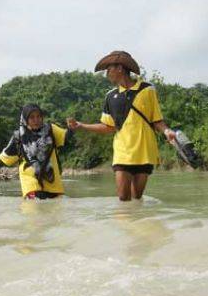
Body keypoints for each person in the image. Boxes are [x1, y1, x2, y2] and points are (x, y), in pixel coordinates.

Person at [67, 51, 176, 201]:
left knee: (137, 198)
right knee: (123, 199)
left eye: (109, 69)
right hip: (122, 152)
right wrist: (81, 126)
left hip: (144, 151)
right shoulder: (110, 96)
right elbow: (108, 126)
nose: (107, 74)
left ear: (120, 68)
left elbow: (157, 119)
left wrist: (167, 131)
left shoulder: (147, 90)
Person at [0, 104, 71, 199]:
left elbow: (65, 139)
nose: (36, 120)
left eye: (39, 116)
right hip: (30, 184)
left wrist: (71, 128)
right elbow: (4, 158)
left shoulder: (51, 130)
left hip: (53, 184)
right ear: (26, 119)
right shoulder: (18, 138)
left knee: (55, 211)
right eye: (32, 117)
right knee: (33, 210)